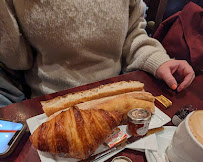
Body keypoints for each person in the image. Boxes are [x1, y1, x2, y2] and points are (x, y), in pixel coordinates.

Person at [0, 0, 195, 100]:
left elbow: (132, 34)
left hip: (115, 94)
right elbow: (18, 60)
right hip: (50, 102)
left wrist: (160, 60)